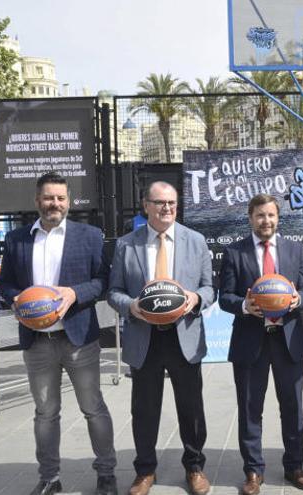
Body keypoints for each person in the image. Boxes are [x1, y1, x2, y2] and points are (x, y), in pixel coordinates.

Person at [0, 172, 116, 495]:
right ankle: (49, 478)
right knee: (45, 413)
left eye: (61, 198)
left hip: (79, 338)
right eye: (49, 198)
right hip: (37, 342)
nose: (55, 204)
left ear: (69, 201)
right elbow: (5, 283)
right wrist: (14, 298)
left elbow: (102, 282)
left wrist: (74, 294)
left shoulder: (89, 236)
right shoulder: (16, 239)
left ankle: (106, 474)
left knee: (93, 408)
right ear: (38, 201)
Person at [107, 181, 215, 495]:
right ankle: (144, 471)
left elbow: (210, 288)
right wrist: (133, 308)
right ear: (146, 205)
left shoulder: (195, 240)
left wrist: (195, 298)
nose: (166, 208)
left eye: (171, 203)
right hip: (145, 337)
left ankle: (194, 467)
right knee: (144, 409)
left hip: (184, 337)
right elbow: (113, 291)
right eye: (159, 202)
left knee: (191, 408)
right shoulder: (127, 244)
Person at [218, 194, 303, 495]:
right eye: (260, 215)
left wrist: (299, 298)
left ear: (278, 217)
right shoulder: (234, 253)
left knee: (293, 407)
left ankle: (295, 466)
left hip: (288, 340)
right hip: (250, 341)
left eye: (271, 215)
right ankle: (253, 472)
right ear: (250, 218)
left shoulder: (295, 249)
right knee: (250, 410)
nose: (266, 221)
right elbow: (225, 297)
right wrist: (245, 305)